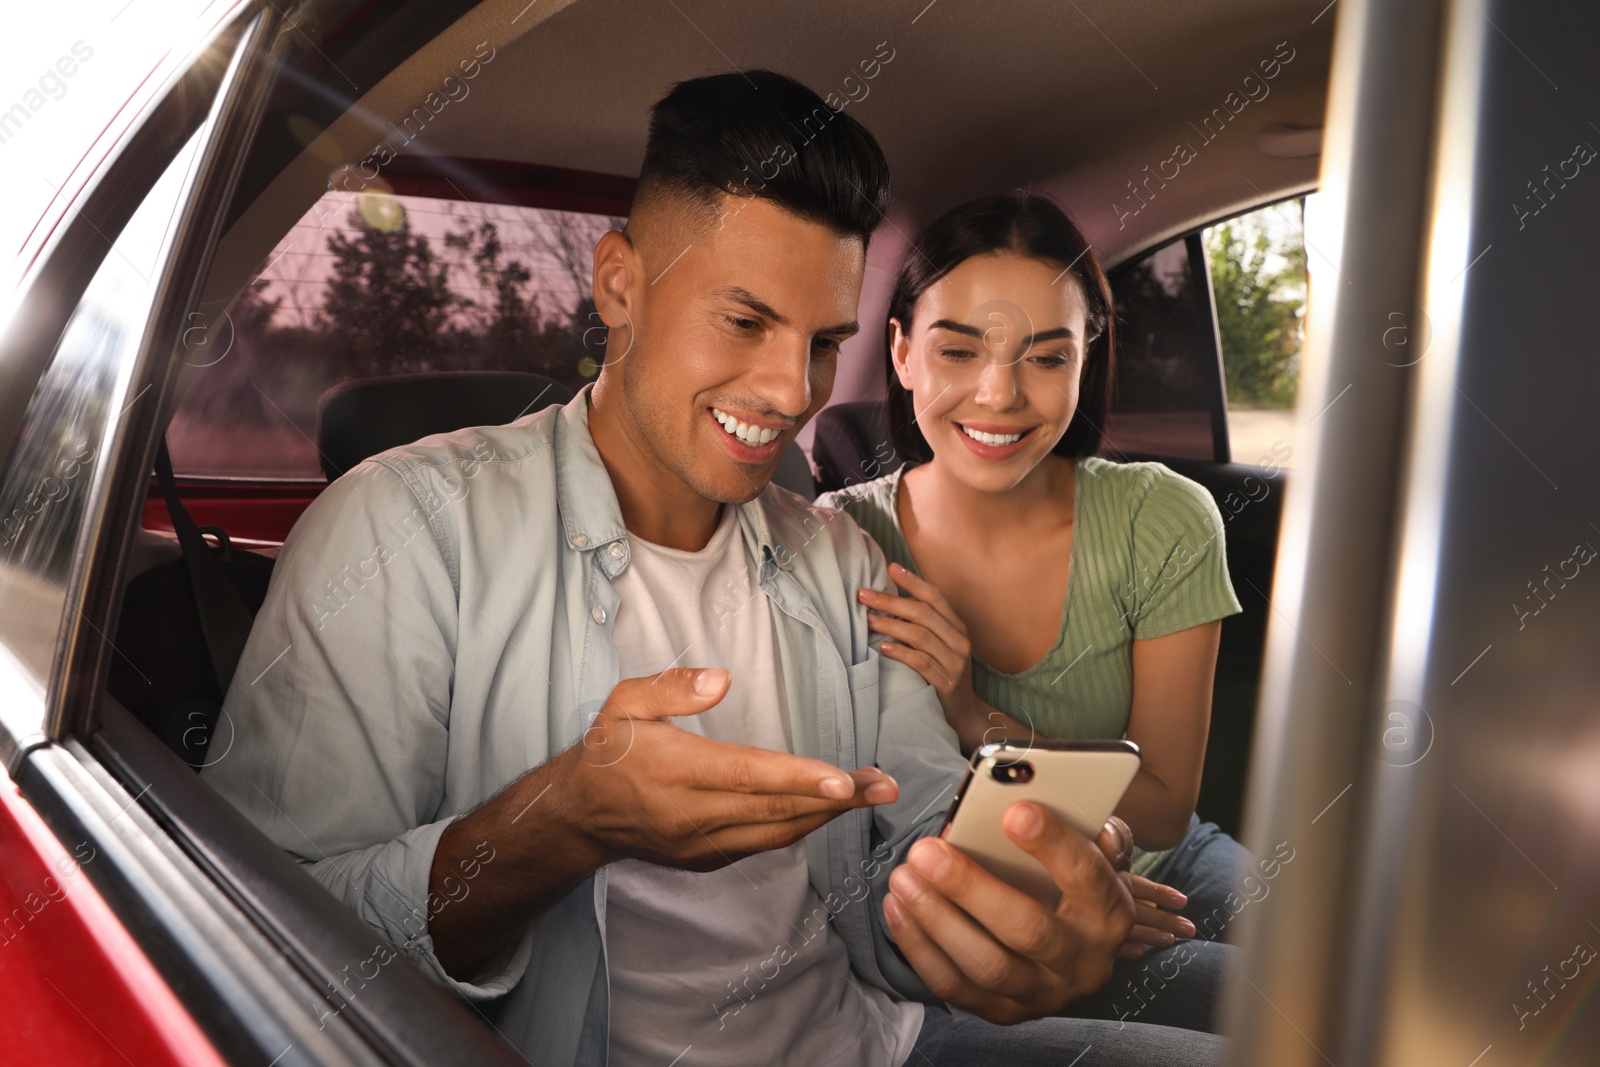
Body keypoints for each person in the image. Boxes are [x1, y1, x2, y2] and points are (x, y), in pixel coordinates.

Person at [205, 72, 1222, 1065]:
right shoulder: (398, 529)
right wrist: (559, 820)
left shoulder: (840, 556)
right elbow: (261, 932)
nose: (792, 390)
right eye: (744, 321)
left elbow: (905, 843)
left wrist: (980, 911)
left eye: (825, 340)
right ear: (619, 286)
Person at [815, 193, 1253, 967]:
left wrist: (968, 709)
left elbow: (1159, 813)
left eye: (1048, 357)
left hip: (1161, 867)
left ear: (1087, 357)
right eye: (958, 351)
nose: (999, 394)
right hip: (991, 894)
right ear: (901, 350)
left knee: (1364, 980)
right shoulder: (837, 538)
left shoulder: (1165, 519)